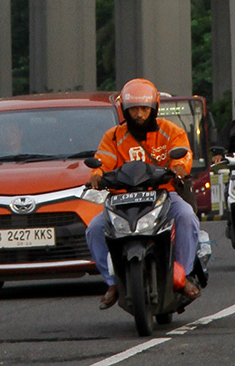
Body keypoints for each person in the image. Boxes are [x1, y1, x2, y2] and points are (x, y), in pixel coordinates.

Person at [86, 78, 202, 310]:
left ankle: (184, 275)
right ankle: (113, 283)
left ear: (154, 108)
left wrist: (178, 167)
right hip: (121, 201)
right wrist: (98, 174)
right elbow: (104, 161)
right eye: (133, 109)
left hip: (164, 196)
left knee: (187, 216)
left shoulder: (171, 131)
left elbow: (182, 155)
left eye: (144, 108)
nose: (139, 114)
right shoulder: (113, 136)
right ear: (124, 110)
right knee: (94, 229)